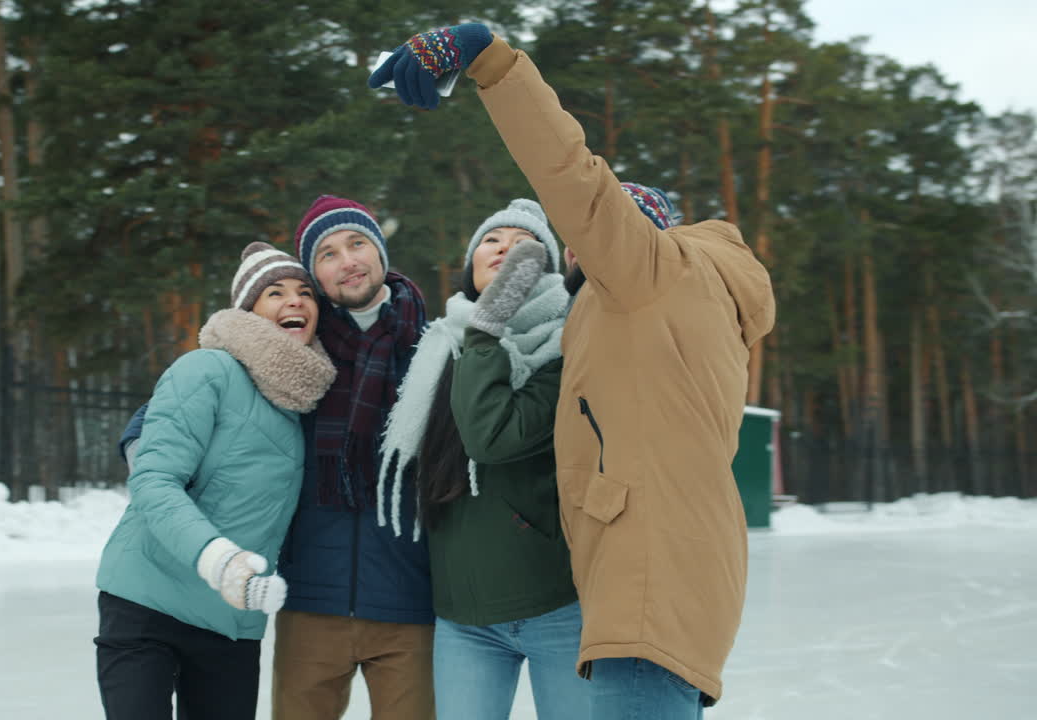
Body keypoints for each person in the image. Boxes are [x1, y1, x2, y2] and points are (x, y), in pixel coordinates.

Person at [370, 23, 777, 717]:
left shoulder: (648, 273)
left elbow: (573, 178)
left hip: (639, 592)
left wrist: (490, 59)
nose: (578, 252)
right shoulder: (665, 313)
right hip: (654, 583)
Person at [119, 195, 435, 719]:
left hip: (408, 600)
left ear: (380, 253)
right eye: (329, 253)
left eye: (357, 243)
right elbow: (164, 415)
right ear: (316, 273)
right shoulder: (294, 356)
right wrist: (155, 472)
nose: (348, 260)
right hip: (309, 600)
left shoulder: (432, 348)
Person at [94, 242, 336, 720]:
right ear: (247, 309)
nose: (295, 301)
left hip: (231, 624)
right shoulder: (208, 369)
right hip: (148, 604)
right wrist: (219, 559)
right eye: (275, 292)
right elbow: (155, 481)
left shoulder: (309, 401)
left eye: (305, 291)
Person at [377, 197, 585, 720]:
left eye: (524, 246)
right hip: (461, 616)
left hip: (555, 606)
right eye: (492, 241)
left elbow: (492, 436)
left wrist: (488, 329)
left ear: (549, 268)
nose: (506, 250)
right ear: (470, 263)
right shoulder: (439, 345)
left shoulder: (568, 347)